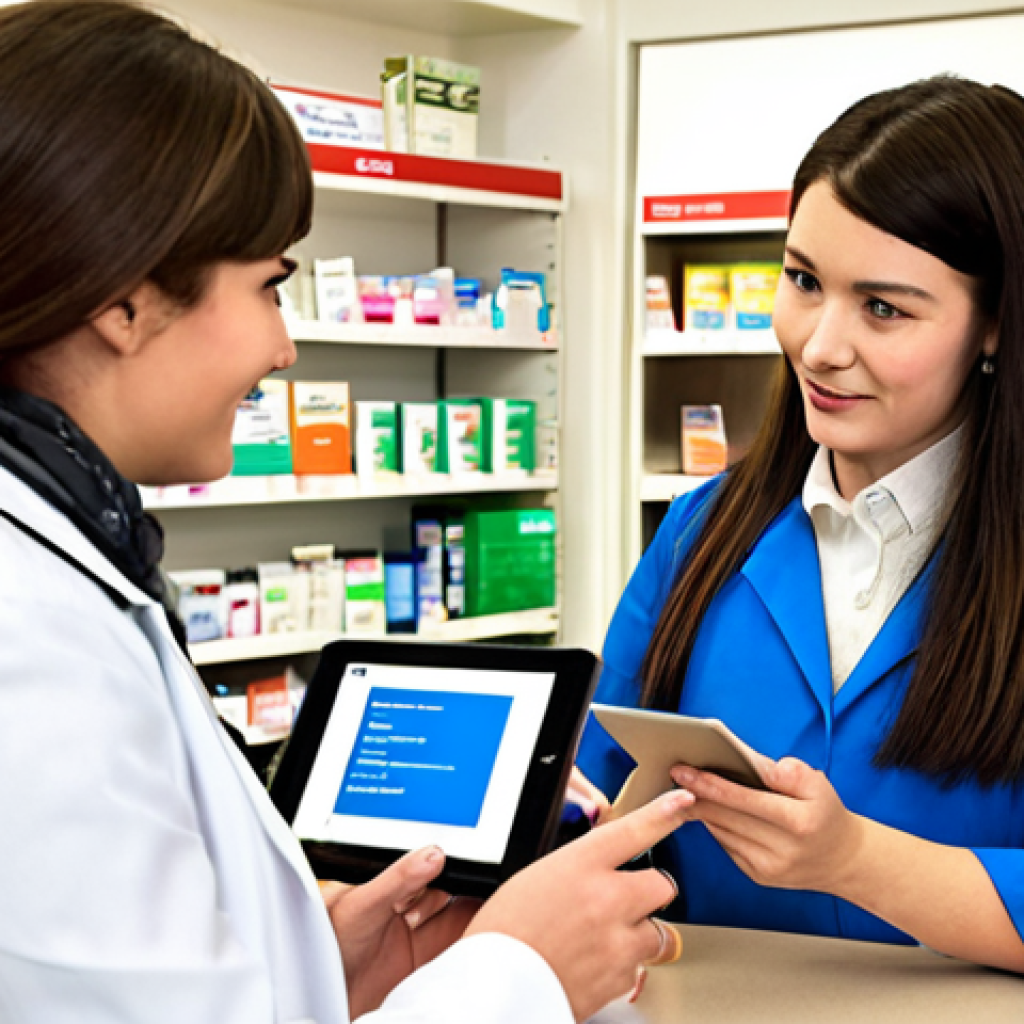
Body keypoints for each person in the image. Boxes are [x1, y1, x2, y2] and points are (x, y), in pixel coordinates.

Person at [0, 3, 691, 1022]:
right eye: (269, 285)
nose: (283, 348)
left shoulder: (60, 553)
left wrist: (311, 970)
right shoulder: (26, 631)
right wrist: (516, 971)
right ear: (125, 295)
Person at [575, 75, 1024, 973]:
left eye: (884, 307)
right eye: (804, 280)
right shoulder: (705, 530)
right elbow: (591, 784)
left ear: (995, 325)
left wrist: (856, 862)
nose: (820, 344)